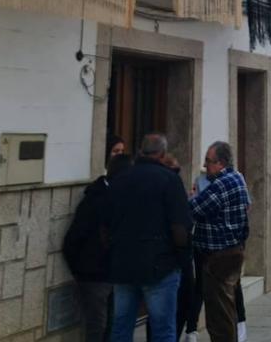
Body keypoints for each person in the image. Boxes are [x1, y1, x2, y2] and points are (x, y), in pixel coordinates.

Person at [106, 134, 192, 342]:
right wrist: (182, 257)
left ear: (140, 152)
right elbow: (180, 227)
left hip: (123, 264)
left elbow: (105, 223)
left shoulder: (120, 179)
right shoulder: (169, 180)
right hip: (160, 266)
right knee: (163, 330)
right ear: (162, 154)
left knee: (120, 328)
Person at [64, 153, 131, 342]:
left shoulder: (116, 197)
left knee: (110, 325)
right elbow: (72, 240)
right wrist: (83, 270)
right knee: (98, 327)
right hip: (95, 276)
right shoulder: (96, 200)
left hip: (112, 274)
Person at [189, 141, 250, 342]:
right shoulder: (237, 177)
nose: (205, 166)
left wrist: (192, 196)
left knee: (219, 315)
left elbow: (194, 209)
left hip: (219, 258)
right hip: (233, 250)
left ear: (221, 163)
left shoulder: (221, 185)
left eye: (208, 161)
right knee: (226, 308)